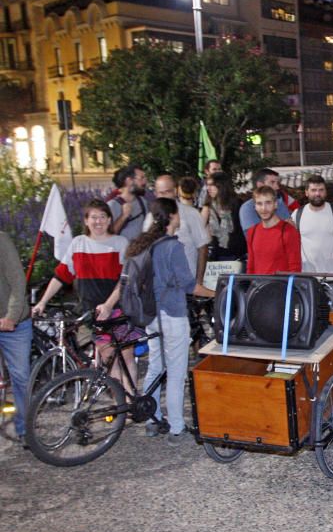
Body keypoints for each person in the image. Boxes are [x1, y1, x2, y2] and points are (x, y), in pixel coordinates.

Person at [126, 198, 215, 445]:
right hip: (173, 314)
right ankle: (177, 427)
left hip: (151, 315)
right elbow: (190, 285)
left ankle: (153, 419)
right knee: (176, 372)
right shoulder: (173, 247)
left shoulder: (145, 244)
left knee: (156, 365)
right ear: (174, 217)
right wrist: (217, 292)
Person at [33, 199, 138, 391]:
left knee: (127, 355)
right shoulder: (78, 244)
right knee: (108, 356)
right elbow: (61, 275)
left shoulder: (120, 243)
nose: (98, 221)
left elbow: (125, 280)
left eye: (102, 217)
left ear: (109, 220)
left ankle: (130, 399)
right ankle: (128, 401)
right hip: (93, 311)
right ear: (86, 221)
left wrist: (108, 305)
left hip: (118, 308)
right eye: (93, 217)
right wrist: (42, 301)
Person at [295, 175, 333, 311]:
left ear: (325, 192)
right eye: (314, 190)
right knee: (310, 318)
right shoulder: (298, 214)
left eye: (321, 190)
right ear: (307, 192)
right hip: (307, 278)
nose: (317, 194)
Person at [144, 174, 210, 286]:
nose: (164, 196)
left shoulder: (191, 214)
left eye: (167, 192)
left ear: (175, 191)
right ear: (155, 193)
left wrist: (198, 282)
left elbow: (203, 248)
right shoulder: (150, 217)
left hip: (187, 282)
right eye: (160, 193)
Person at [0, 231, 31, 447]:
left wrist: (11, 316)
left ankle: (25, 429)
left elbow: (18, 281)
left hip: (13, 323)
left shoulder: (1, 240)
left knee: (21, 378)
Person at [245, 186, 302, 275]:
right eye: (259, 204)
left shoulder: (288, 231)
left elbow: (295, 267)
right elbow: (250, 266)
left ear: (275, 204)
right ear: (255, 207)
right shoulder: (252, 232)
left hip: (281, 287)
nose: (264, 208)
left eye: (268, 203)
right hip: (257, 286)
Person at [200, 172, 246, 262]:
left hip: (237, 254)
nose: (208, 188)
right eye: (207, 185)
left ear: (222, 185)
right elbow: (199, 228)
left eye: (212, 185)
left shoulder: (237, 204)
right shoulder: (208, 206)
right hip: (216, 255)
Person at [239, 168, 291, 234]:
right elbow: (257, 236)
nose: (277, 187)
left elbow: (290, 230)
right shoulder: (248, 208)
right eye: (272, 182)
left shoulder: (279, 203)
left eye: (277, 183)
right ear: (260, 185)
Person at [108, 165, 149, 242]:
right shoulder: (112, 205)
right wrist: (123, 216)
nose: (145, 181)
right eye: (142, 178)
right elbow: (107, 236)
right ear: (129, 181)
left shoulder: (143, 202)